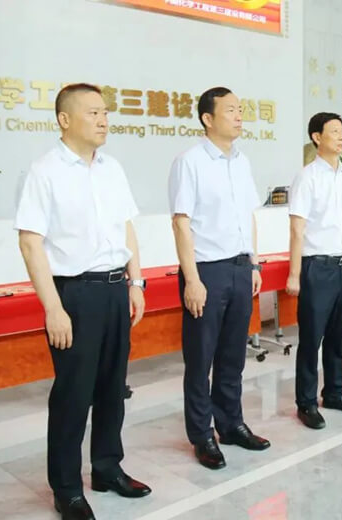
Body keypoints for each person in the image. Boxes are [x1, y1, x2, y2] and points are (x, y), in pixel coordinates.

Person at [16, 83, 151, 520]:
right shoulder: (45, 171)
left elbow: (126, 228)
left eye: (105, 112)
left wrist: (136, 283)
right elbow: (30, 243)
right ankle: (67, 488)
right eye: (93, 112)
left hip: (115, 289)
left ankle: (108, 468)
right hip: (74, 294)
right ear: (64, 119)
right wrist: (53, 308)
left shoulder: (112, 168)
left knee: (113, 388)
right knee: (74, 395)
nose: (103, 120)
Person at [168, 86, 270, 472]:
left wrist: (254, 264)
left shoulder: (242, 162)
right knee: (201, 359)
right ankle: (202, 435)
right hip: (206, 271)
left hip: (241, 268)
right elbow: (181, 223)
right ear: (208, 119)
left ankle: (231, 424)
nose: (239, 116)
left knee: (233, 355)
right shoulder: (189, 162)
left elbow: (248, 217)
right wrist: (192, 279)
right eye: (230, 110)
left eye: (240, 109)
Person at [286, 112, 342, 430]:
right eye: (334, 131)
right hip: (317, 267)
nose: (341, 136)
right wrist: (294, 274)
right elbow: (297, 228)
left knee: (338, 335)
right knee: (311, 339)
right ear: (317, 137)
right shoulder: (307, 177)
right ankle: (306, 402)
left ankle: (334, 392)